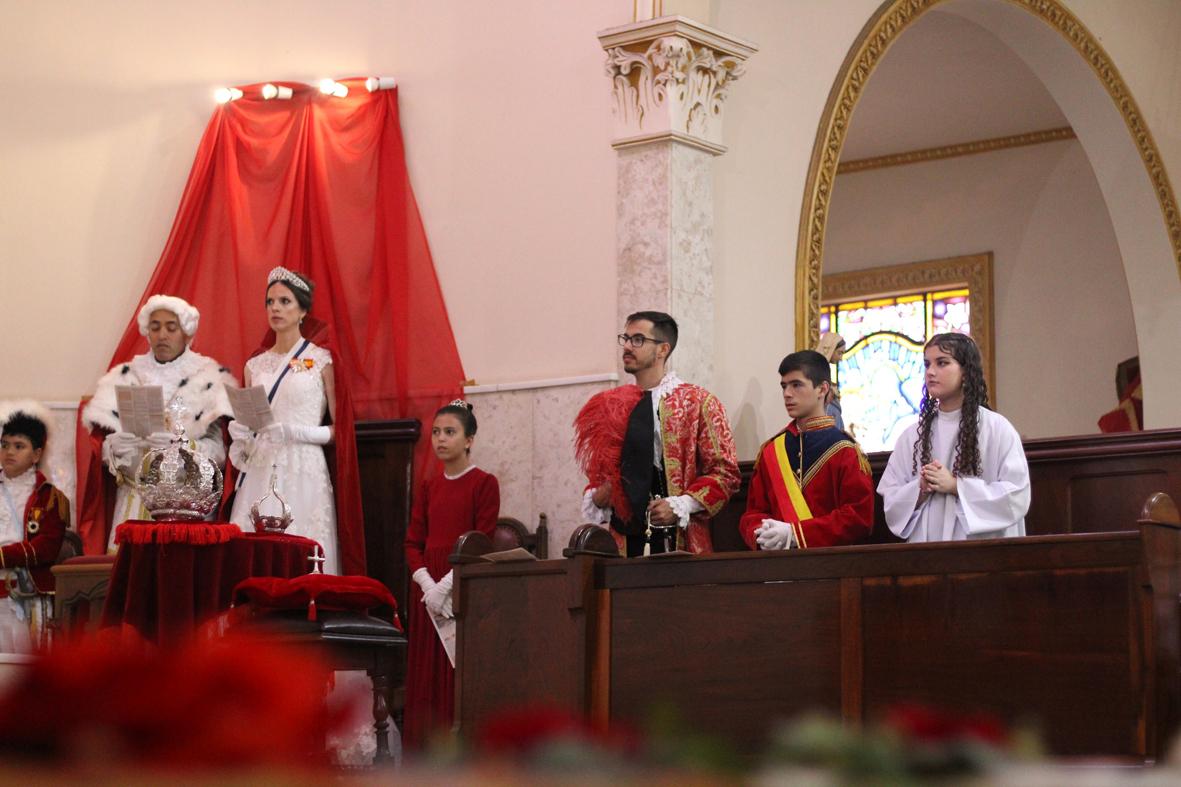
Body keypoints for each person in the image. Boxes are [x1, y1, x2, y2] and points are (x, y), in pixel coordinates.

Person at [574, 311, 739, 556]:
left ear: (663, 349)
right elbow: (600, 477)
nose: (628, 346)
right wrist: (599, 496)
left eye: (638, 339)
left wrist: (681, 504)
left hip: (679, 539)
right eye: (626, 338)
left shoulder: (698, 402)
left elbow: (725, 473)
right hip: (623, 542)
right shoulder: (609, 406)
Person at [81, 295, 235, 550]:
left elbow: (220, 453)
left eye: (171, 328)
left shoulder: (209, 377)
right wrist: (115, 451)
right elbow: (105, 457)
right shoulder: (124, 376)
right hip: (132, 499)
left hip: (186, 505)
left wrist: (184, 447)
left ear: (186, 332)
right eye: (155, 327)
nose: (162, 334)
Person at [227, 268, 347, 572]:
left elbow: (339, 430)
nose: (275, 308)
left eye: (285, 301)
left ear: (303, 310)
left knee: (304, 540)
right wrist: (241, 433)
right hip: (262, 466)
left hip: (304, 463)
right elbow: (253, 421)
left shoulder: (322, 360)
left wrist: (296, 431)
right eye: (270, 302)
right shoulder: (254, 365)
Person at [404, 401, 499, 749]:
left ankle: (457, 754)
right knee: (426, 671)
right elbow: (412, 543)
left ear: (469, 439)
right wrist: (428, 584)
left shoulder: (484, 483)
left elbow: (481, 542)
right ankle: (422, 752)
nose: (440, 439)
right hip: (429, 594)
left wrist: (446, 586)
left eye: (450, 432)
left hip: (462, 591)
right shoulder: (429, 487)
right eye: (436, 432)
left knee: (456, 673)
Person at [878, 332, 1030, 542]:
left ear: (966, 371)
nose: (930, 372)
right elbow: (891, 499)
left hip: (979, 555)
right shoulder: (912, 436)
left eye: (942, 363)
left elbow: (1016, 496)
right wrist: (919, 489)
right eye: (927, 364)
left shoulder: (997, 429)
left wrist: (956, 486)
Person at [739, 351, 874, 550]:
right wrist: (762, 533)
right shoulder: (771, 451)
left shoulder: (845, 450)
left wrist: (796, 534)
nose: (787, 393)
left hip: (831, 568)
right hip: (777, 568)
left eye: (796, 385)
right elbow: (753, 513)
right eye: (784, 386)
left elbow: (858, 518)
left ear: (822, 389)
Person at [0, 402, 68, 653]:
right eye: (4, 444)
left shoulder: (51, 498)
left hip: (28, 597)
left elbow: (47, 548)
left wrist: (2, 557)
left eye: (19, 446)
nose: (9, 452)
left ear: (36, 454)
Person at [815, 332, 847, 431]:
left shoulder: (826, 372)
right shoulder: (815, 373)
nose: (841, 358)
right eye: (839, 353)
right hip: (825, 418)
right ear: (830, 349)